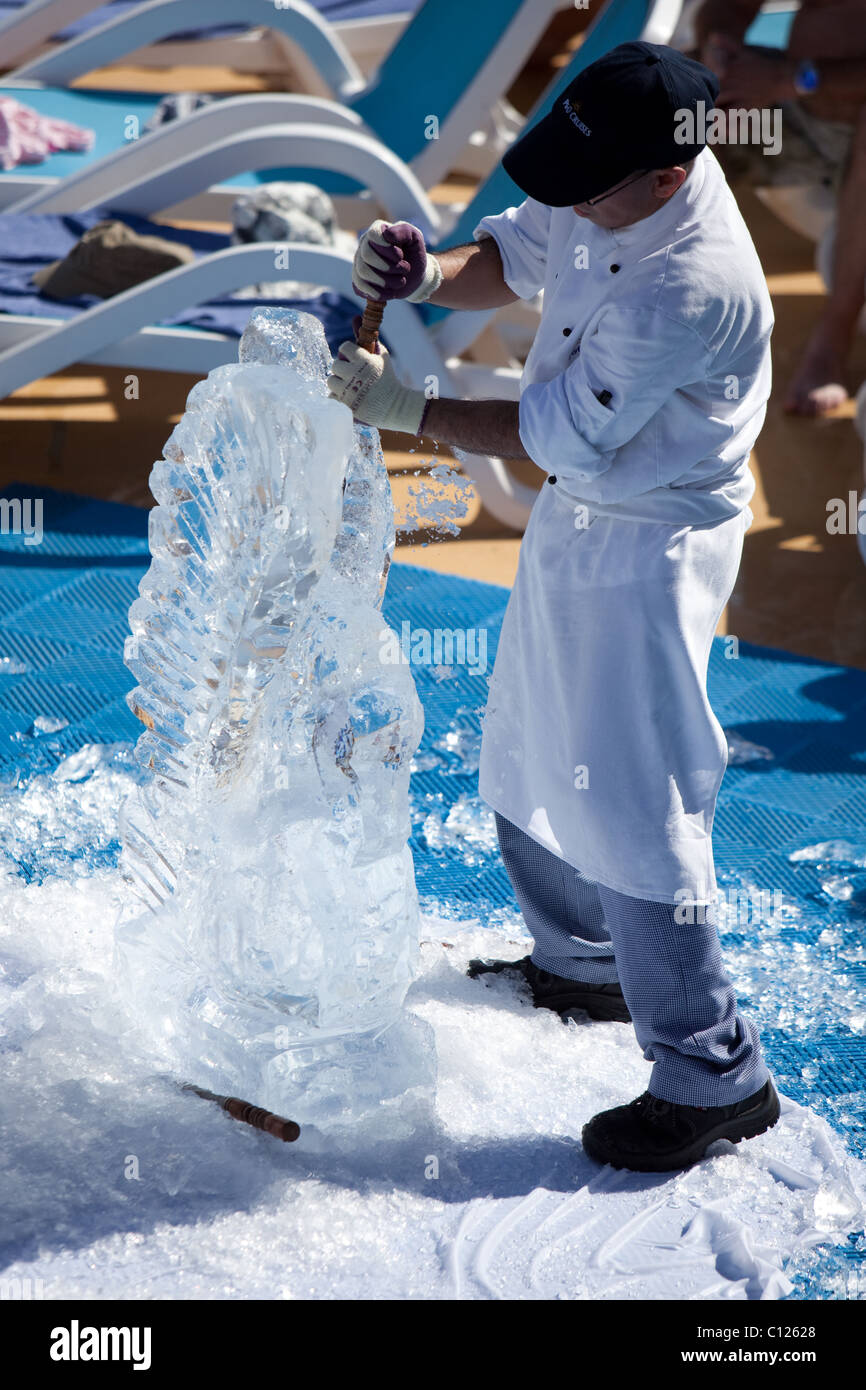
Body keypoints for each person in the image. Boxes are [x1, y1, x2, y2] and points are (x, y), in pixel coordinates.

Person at [328, 42, 780, 1173]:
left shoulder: (693, 283)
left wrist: (405, 406)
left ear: (667, 177)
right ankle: (579, 965)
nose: (566, 195)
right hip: (586, 513)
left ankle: (713, 1074)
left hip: (653, 541)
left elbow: (548, 433)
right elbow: (517, 252)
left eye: (587, 184)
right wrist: (427, 270)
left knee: (637, 800)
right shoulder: (611, 172)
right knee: (525, 734)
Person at [694, 0, 866, 416]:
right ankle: (616, 295)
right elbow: (728, 8)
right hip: (794, 109)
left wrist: (791, 77)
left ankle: (833, 335)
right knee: (656, 88)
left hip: (812, 92)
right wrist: (719, 53)